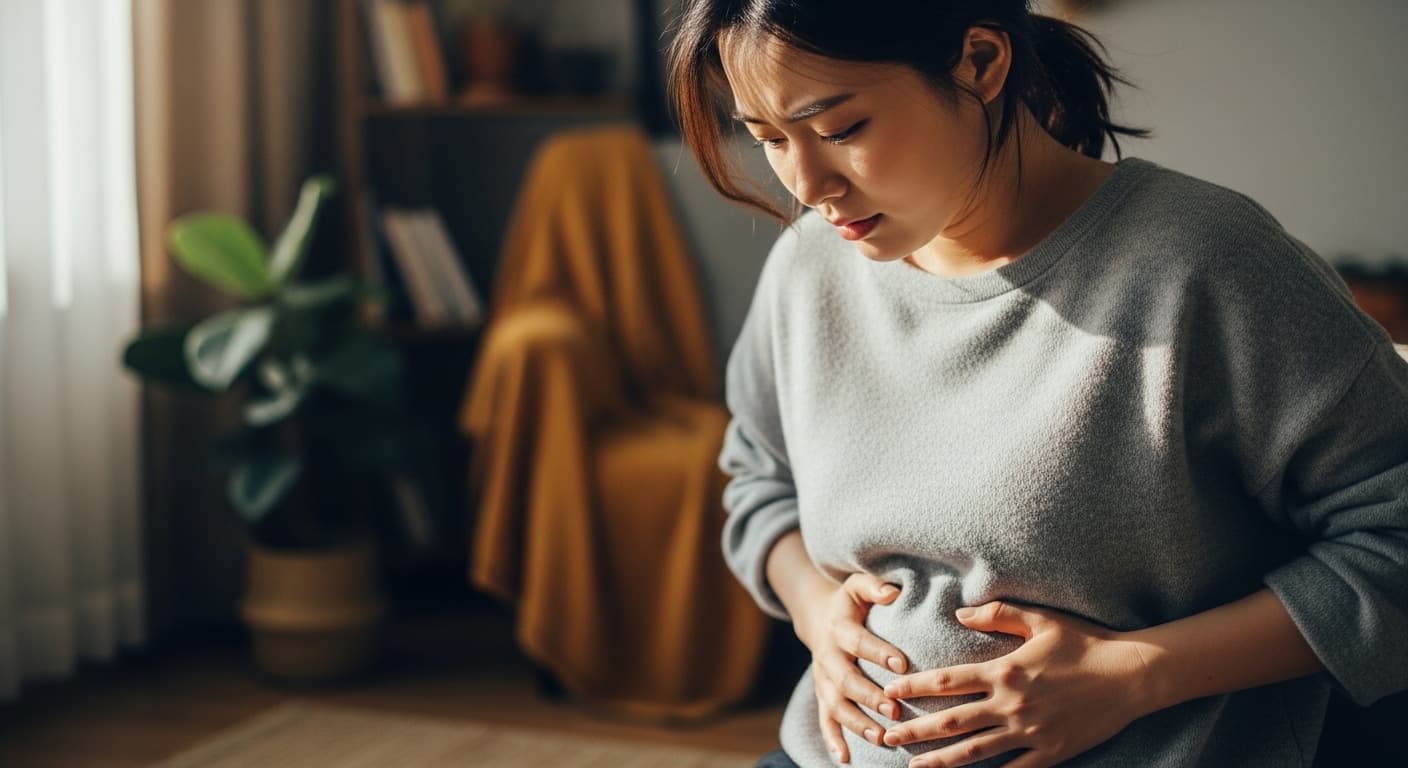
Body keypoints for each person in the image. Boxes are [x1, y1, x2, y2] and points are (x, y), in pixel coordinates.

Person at [665, 2, 1408, 767]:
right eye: (768, 139)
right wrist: (818, 613)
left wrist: (1135, 677)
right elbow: (758, 479)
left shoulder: (1208, 266)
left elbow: (1395, 535)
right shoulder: (808, 269)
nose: (808, 183)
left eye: (840, 131)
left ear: (980, 62)